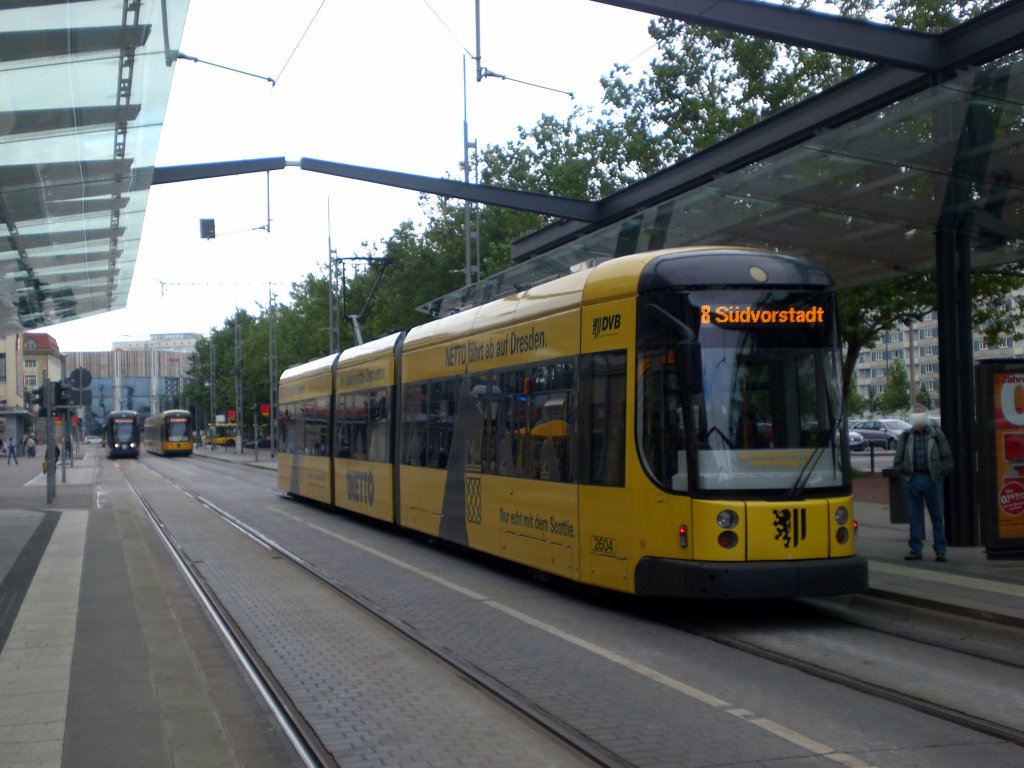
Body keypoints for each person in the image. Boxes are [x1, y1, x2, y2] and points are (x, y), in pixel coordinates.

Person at [893, 404, 954, 562]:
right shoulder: (906, 436)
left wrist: (941, 473)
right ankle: (915, 549)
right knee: (914, 516)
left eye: (921, 415)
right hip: (912, 479)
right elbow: (898, 459)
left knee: (937, 516)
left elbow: (947, 458)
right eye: (916, 415)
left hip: (932, 478)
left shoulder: (936, 435)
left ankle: (940, 550)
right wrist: (904, 476)